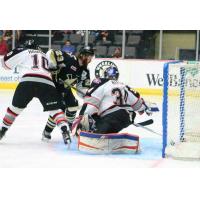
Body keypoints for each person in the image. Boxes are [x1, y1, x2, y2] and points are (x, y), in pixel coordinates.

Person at [0, 39, 71, 145]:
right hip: (47, 82)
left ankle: (2, 131)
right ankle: (65, 131)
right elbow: (54, 68)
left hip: (28, 81)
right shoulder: (45, 55)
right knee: (55, 110)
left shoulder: (23, 51)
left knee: (14, 110)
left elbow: (5, 64)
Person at [72, 66, 153, 135]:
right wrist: (144, 108)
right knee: (108, 129)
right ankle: (109, 134)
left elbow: (91, 102)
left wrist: (82, 117)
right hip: (127, 117)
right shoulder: (124, 86)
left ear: (105, 75)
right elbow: (138, 104)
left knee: (93, 127)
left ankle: (99, 134)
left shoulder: (101, 82)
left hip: (110, 116)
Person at [42, 46, 95, 141]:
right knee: (59, 110)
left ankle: (70, 127)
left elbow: (82, 89)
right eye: (89, 56)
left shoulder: (85, 71)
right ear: (82, 55)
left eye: (91, 57)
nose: (90, 59)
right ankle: (47, 132)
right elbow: (51, 52)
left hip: (65, 90)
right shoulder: (68, 58)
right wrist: (53, 67)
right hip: (54, 88)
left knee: (73, 105)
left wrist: (87, 95)